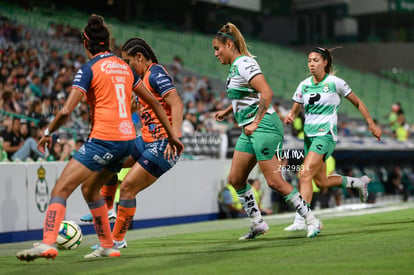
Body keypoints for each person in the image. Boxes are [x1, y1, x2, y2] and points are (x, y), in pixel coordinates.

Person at [16, 14, 182, 262]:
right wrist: (173, 136)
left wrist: (48, 132)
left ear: (86, 43)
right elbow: (156, 105)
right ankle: (107, 244)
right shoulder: (124, 67)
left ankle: (48, 242)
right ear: (109, 42)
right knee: (90, 188)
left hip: (104, 139)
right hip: (128, 140)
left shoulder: (89, 68)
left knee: (61, 188)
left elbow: (65, 111)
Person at [212, 22, 322, 240]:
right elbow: (247, 95)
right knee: (235, 179)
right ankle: (258, 223)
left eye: (217, 48)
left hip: (264, 125)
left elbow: (267, 93)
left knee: (274, 182)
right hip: (250, 128)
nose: (216, 53)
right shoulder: (235, 67)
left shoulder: (244, 63)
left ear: (228, 44)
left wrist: (255, 121)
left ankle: (312, 220)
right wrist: (227, 111)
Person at [86, 37, 184, 249]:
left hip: (163, 145)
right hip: (147, 141)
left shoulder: (156, 74)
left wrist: (174, 137)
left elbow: (176, 104)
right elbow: (135, 107)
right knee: (110, 159)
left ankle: (117, 240)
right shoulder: (140, 78)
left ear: (140, 57)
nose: (125, 65)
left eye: (127, 61)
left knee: (128, 187)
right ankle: (109, 209)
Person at [283, 47, 382, 231]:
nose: (311, 64)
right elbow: (296, 108)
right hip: (309, 137)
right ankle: (359, 183)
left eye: (315, 60)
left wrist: (371, 124)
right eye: (309, 61)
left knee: (304, 174)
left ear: (325, 62)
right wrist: (290, 116)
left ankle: (301, 219)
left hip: (325, 135)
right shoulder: (304, 84)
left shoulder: (336, 83)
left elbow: (358, 102)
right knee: (322, 182)